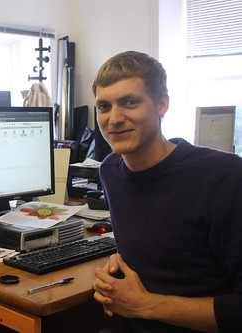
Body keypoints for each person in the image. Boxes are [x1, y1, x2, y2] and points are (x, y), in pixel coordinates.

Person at [91, 51, 242, 332]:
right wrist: (117, 267)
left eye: (130, 102)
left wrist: (143, 304)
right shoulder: (110, 170)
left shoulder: (224, 177)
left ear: (162, 104)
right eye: (104, 106)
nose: (114, 118)